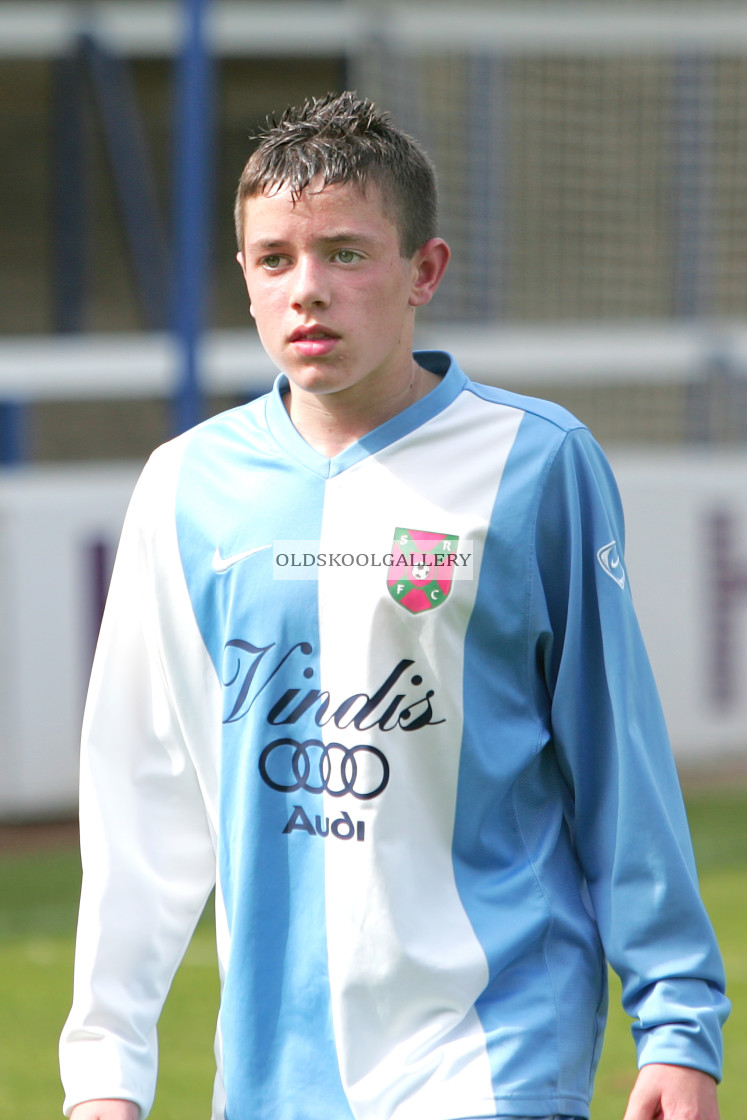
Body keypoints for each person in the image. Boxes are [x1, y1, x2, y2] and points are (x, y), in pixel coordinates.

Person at [60, 91, 728, 1120]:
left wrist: (678, 1019)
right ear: (243, 277)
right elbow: (138, 796)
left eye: (345, 253)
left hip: (495, 1057)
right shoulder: (186, 486)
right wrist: (106, 1073)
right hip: (275, 1079)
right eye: (275, 259)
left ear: (425, 271)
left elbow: (616, 757)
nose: (308, 290)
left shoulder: (536, 463)